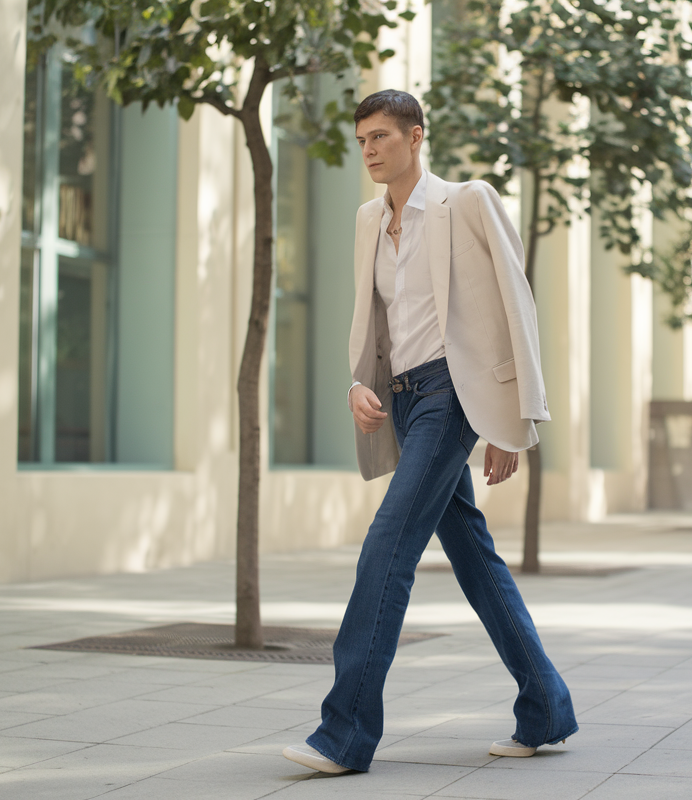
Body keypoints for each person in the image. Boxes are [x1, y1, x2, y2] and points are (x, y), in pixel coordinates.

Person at [283, 90, 577, 775]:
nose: (370, 150)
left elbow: (515, 306)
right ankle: (547, 705)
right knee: (474, 558)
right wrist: (357, 383)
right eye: (362, 140)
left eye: (382, 136)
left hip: (454, 394)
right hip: (404, 399)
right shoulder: (367, 219)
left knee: (387, 546)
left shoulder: (466, 201)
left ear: (417, 136)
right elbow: (374, 321)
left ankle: (346, 733)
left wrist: (513, 418)